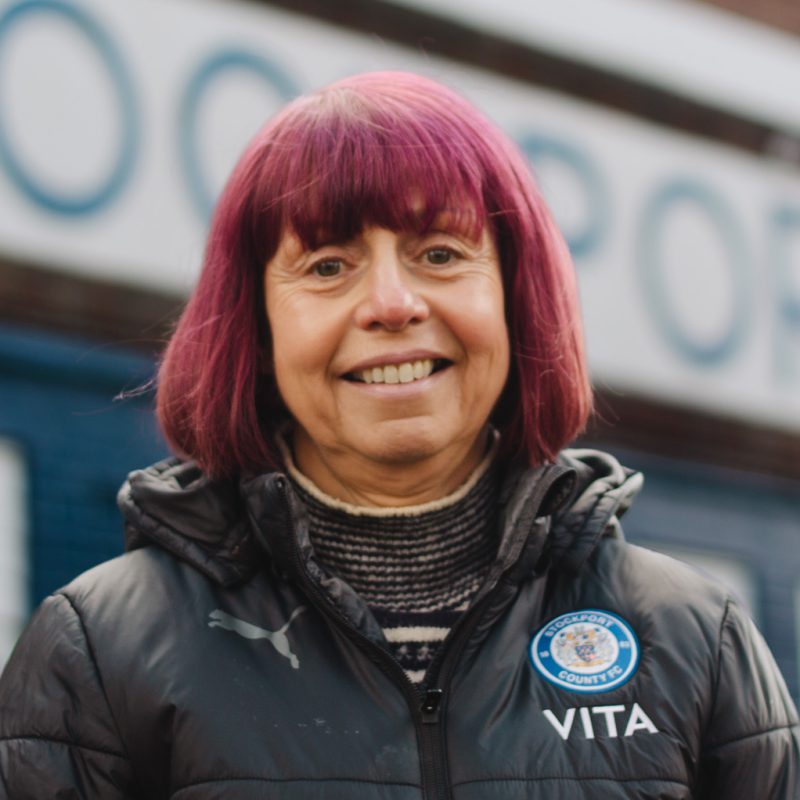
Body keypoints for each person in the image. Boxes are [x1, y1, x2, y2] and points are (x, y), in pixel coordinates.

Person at [0, 71, 797, 799]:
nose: (391, 303)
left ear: (517, 302)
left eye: (441, 253)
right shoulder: (101, 650)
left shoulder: (694, 638)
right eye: (326, 266)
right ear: (258, 328)